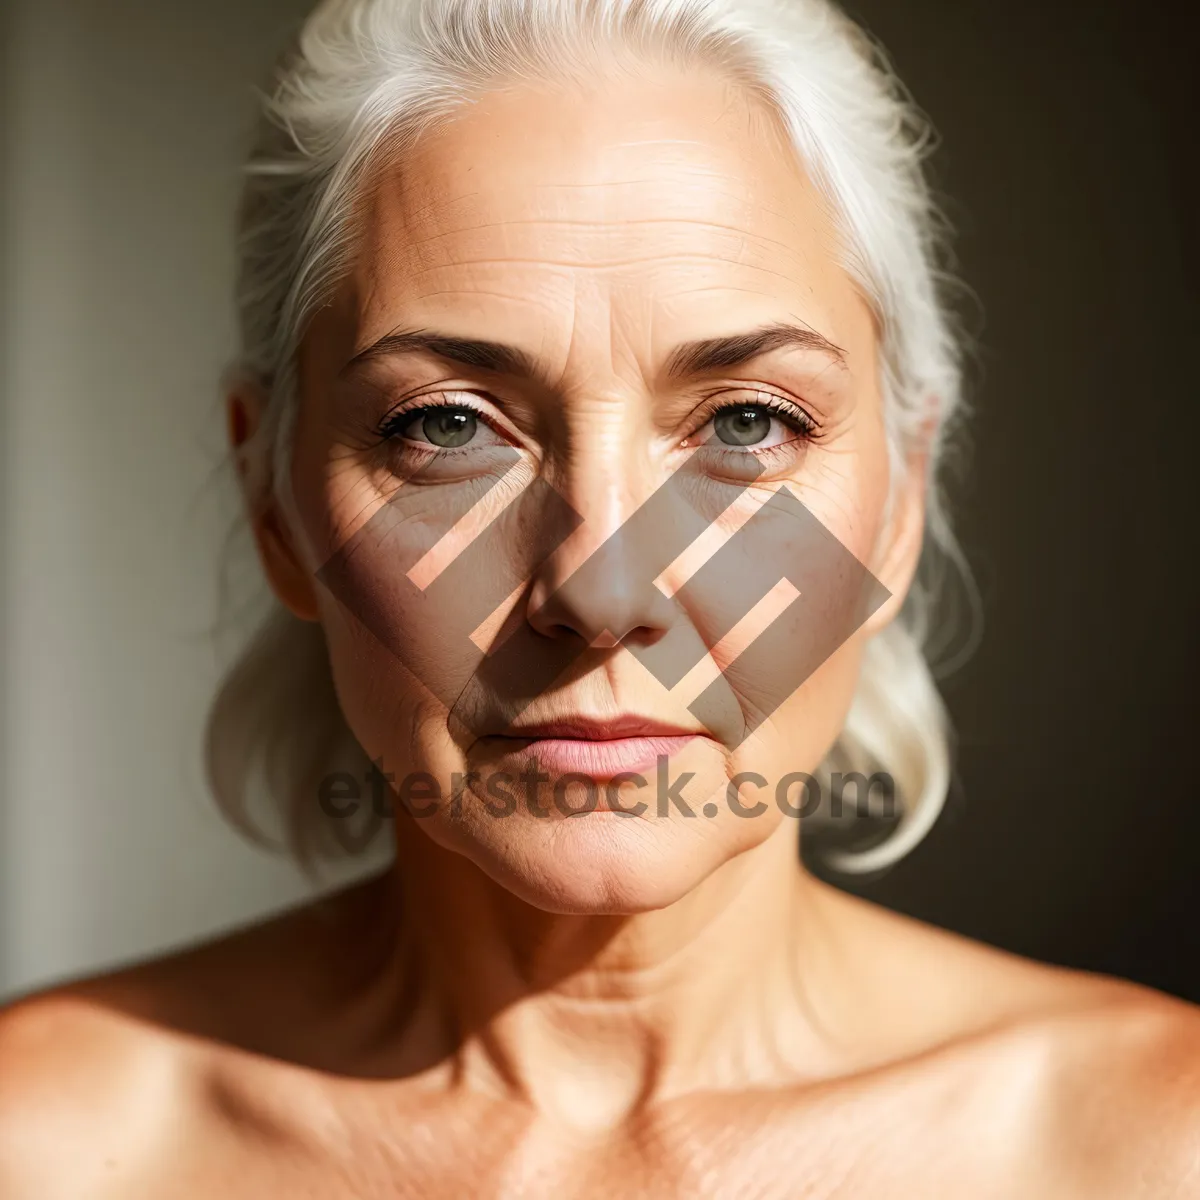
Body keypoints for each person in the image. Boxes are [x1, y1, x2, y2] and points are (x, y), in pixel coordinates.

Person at [2, 0, 1197, 1194]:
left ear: (898, 508)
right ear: (274, 502)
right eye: (449, 427)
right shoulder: (43, 1144)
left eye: (746, 423)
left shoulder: (1152, 1148)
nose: (600, 586)